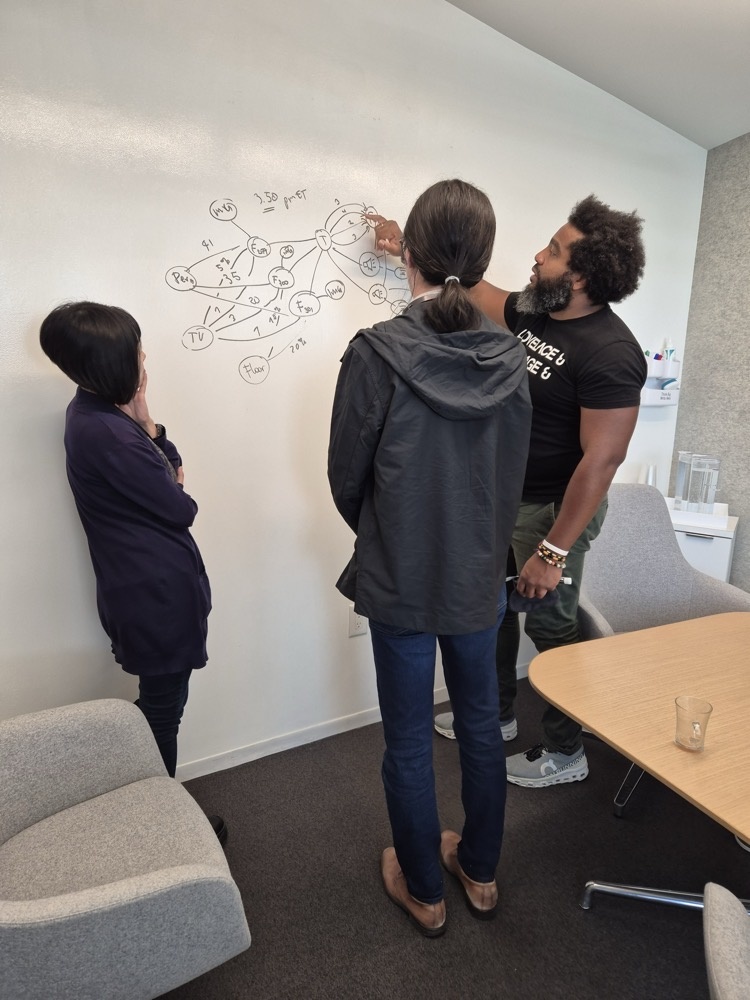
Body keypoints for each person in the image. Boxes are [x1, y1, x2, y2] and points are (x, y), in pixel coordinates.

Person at [369, 194, 647, 789]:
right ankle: (495, 716)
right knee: (490, 611)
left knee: (553, 629)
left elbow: (602, 460)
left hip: (553, 511)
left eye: (554, 250)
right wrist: (406, 249)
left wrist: (552, 551)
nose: (538, 255)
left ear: (581, 276)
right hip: (502, 502)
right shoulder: (535, 310)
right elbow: (471, 287)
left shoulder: (611, 352)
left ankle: (567, 752)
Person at [329, 180, 532, 937]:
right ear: (483, 263)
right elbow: (511, 476)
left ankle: (425, 891)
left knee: (411, 739)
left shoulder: (376, 351)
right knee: (481, 727)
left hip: (403, 576)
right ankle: (479, 873)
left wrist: (390, 532)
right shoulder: (512, 360)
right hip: (479, 576)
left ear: (407, 253)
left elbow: (345, 477)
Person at [40, 302, 226, 842]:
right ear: (109, 364)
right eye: (136, 352)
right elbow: (181, 505)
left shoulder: (94, 413)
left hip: (144, 587)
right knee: (162, 712)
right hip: (155, 595)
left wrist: (150, 425)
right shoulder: (109, 433)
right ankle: (164, 830)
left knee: (160, 705)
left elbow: (168, 471)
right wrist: (156, 443)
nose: (144, 359)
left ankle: (150, 811)